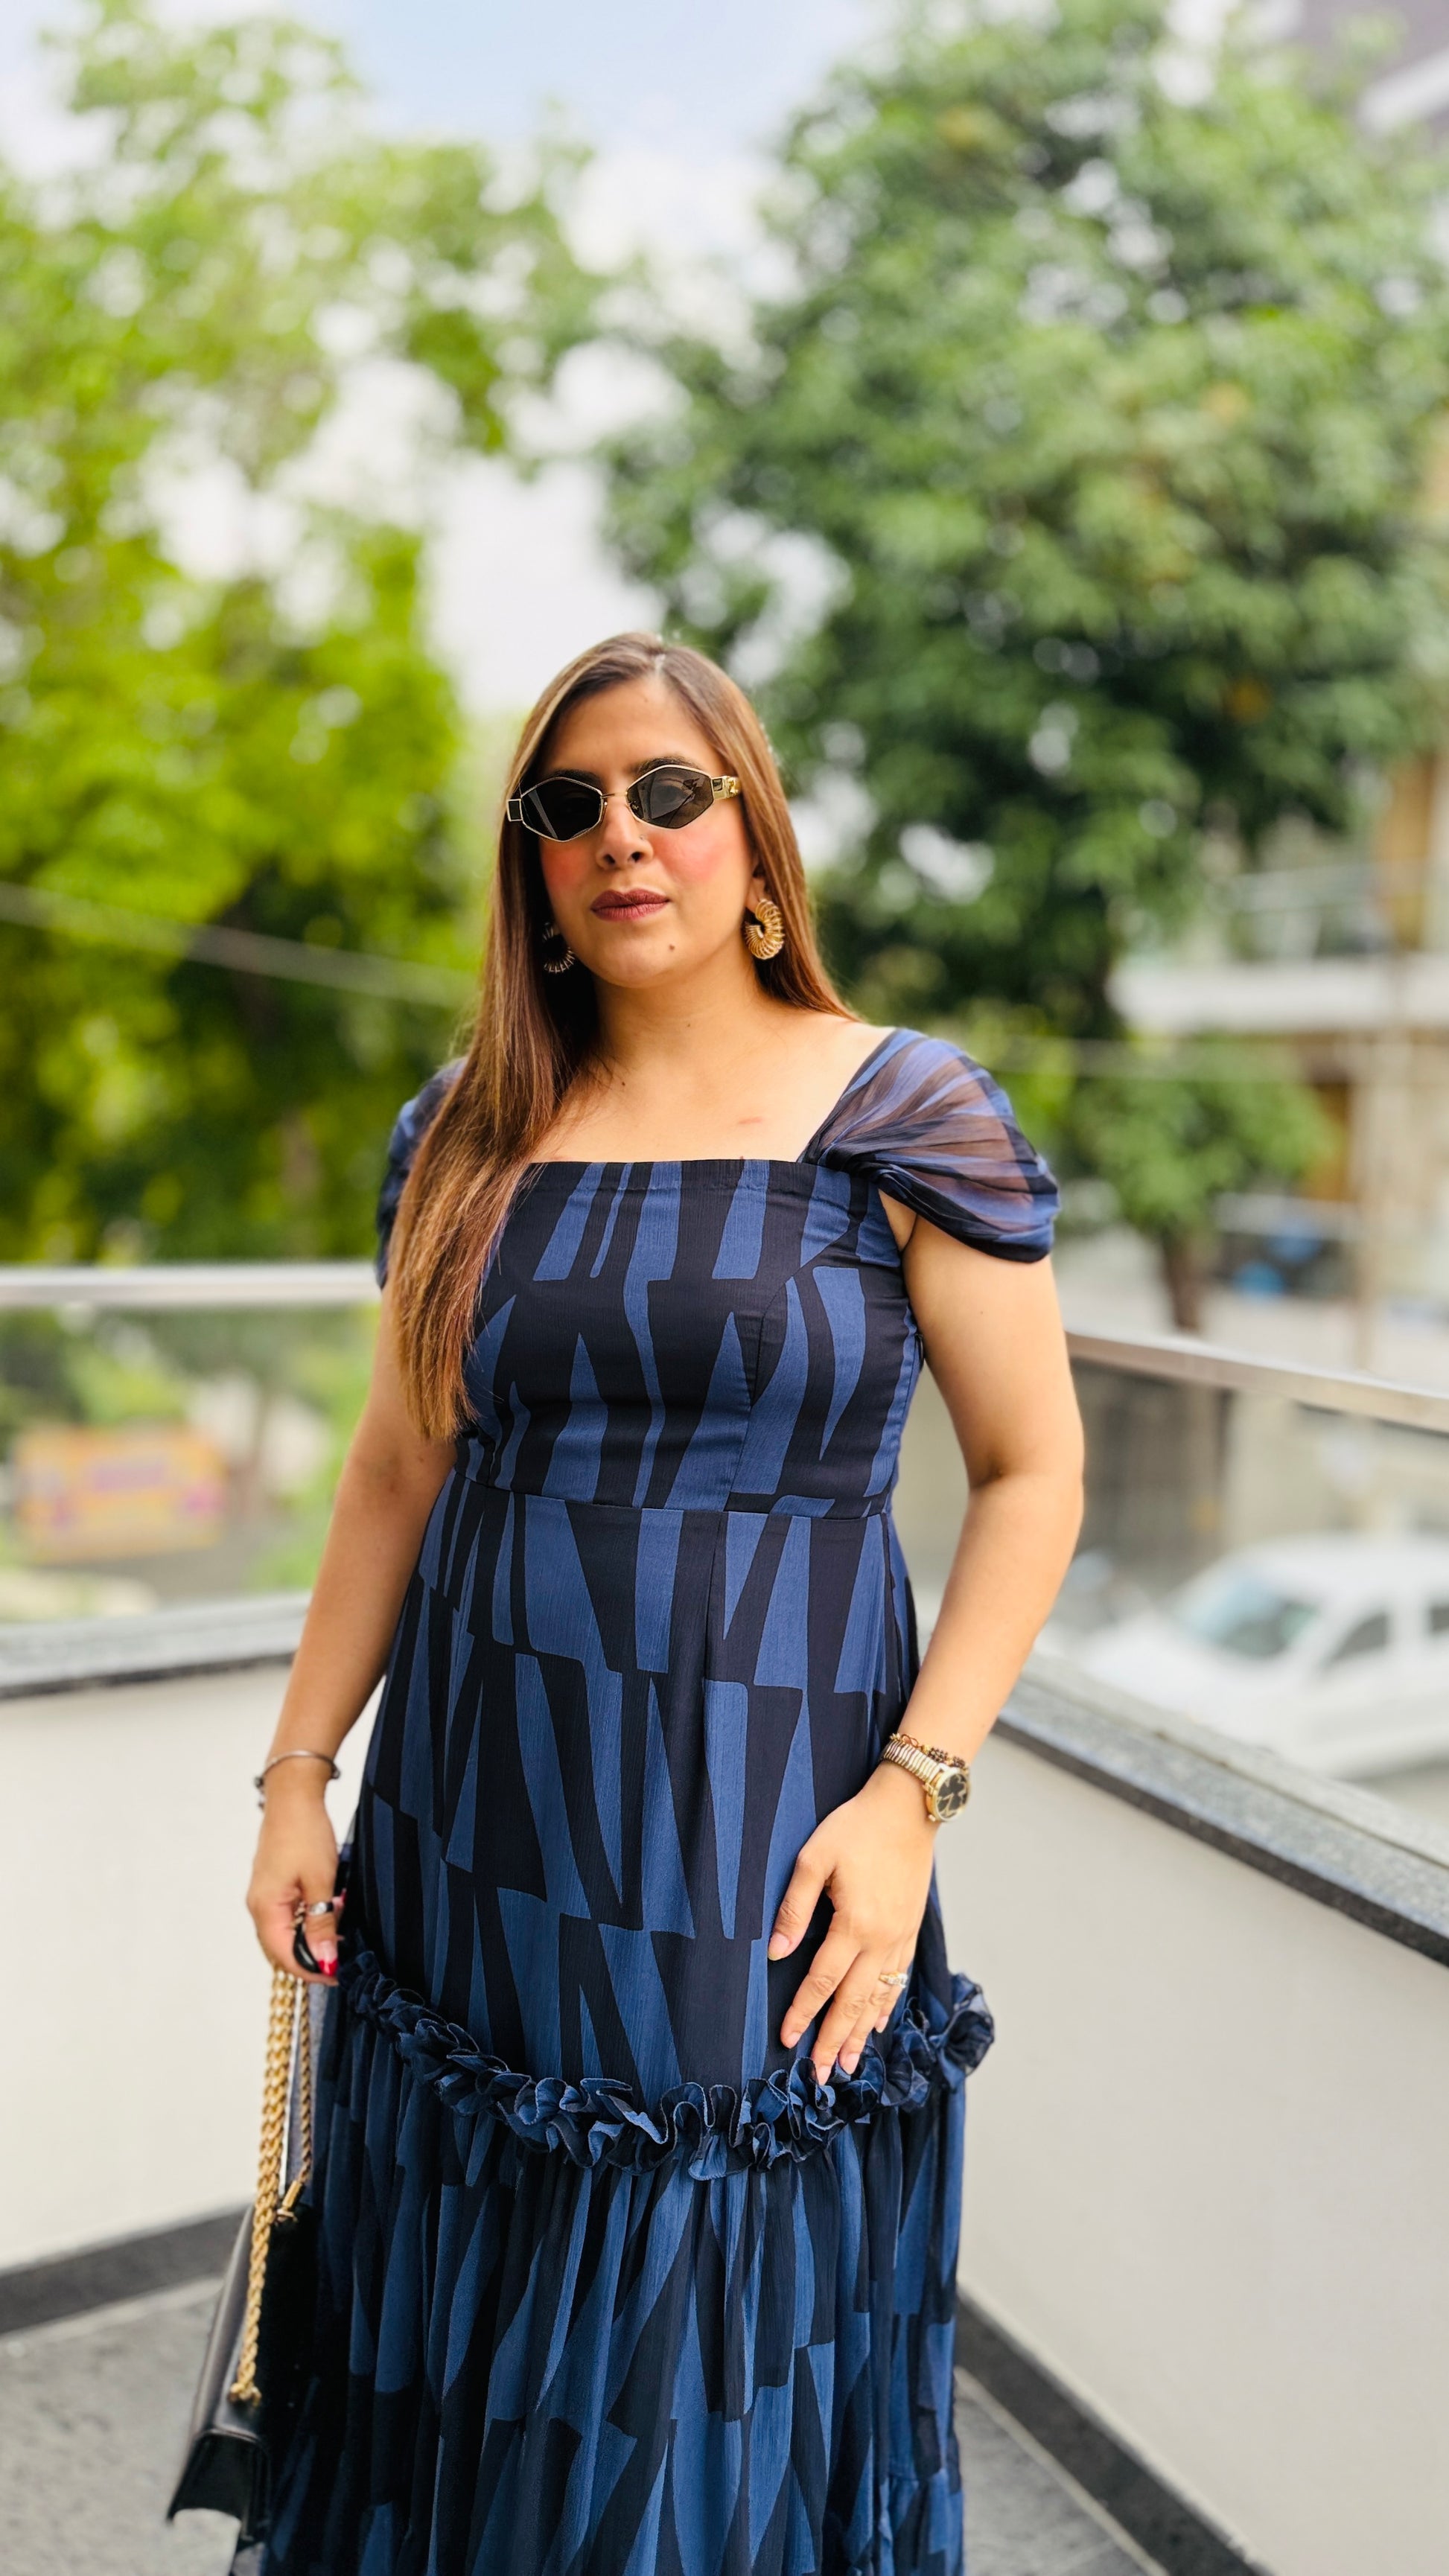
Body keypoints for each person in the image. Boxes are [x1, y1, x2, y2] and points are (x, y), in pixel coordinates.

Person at [245, 631, 1083, 2575]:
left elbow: (1033, 1473)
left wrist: (913, 1795)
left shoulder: (904, 1111)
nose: (618, 834)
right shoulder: (462, 1130)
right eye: (569, 804)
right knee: (471, 2309)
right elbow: (395, 1470)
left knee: (690, 2334)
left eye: (667, 792)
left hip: (754, 1826)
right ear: (532, 868)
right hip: (474, 1821)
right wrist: (297, 1773)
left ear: (754, 840)